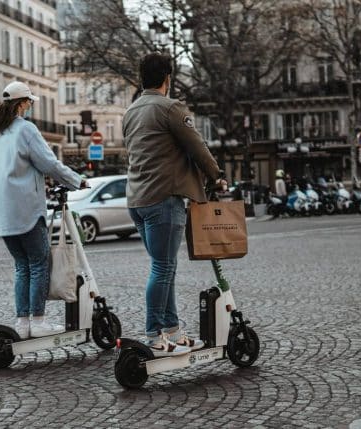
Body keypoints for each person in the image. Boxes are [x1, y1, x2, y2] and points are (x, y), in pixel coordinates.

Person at [123, 52, 225, 357]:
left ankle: (173, 331)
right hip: (164, 198)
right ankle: (154, 333)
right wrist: (216, 175)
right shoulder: (170, 108)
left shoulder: (131, 111)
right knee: (163, 266)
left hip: (137, 200)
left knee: (165, 267)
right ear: (168, 78)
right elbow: (197, 146)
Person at [0, 81, 87, 339]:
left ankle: (22, 322)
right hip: (26, 209)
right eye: (29, 102)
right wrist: (77, 180)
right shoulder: (25, 130)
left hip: (2, 212)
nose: (31, 106)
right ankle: (39, 321)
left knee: (22, 265)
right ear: (21, 104)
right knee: (39, 263)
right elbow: (49, 164)